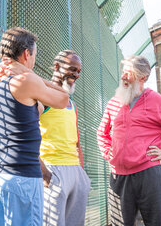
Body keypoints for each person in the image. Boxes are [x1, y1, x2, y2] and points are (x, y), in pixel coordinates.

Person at [0, 27, 69, 226]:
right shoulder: (25, 81)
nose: (33, 61)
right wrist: (31, 75)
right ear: (26, 54)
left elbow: (28, 112)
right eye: (34, 56)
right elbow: (64, 99)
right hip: (22, 180)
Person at [97, 55, 161, 226]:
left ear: (143, 78)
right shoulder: (113, 103)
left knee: (160, 222)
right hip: (118, 177)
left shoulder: (156, 101)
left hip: (149, 175)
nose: (123, 77)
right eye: (123, 72)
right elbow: (101, 133)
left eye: (129, 73)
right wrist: (107, 150)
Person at [39, 50, 91, 226]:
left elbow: (77, 143)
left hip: (75, 172)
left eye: (78, 71)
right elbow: (25, 131)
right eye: (72, 69)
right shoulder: (43, 96)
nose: (76, 74)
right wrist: (44, 173)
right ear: (56, 66)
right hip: (53, 169)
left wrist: (82, 175)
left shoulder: (72, 104)